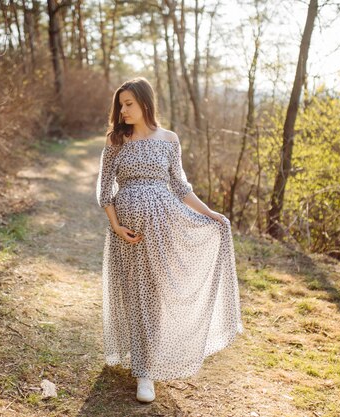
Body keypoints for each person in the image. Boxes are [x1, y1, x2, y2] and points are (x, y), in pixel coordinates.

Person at [96, 76, 243, 403]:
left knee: (158, 293)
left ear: (146, 103)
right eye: (120, 105)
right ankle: (143, 371)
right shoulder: (115, 142)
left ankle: (149, 360)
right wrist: (117, 226)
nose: (123, 110)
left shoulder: (169, 140)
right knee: (136, 295)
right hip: (128, 235)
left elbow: (180, 187)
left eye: (129, 104)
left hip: (165, 227)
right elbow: (105, 191)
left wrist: (210, 214)